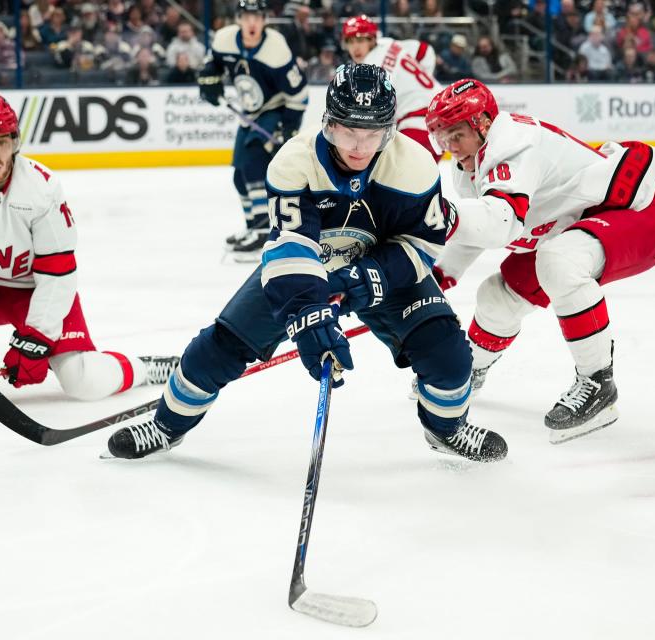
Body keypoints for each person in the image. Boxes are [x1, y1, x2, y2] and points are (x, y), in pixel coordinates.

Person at [105, 64, 508, 463]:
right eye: (348, 131)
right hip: (305, 269)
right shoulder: (294, 162)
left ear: (391, 129)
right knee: (217, 349)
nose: (359, 147)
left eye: (373, 134)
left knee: (449, 357)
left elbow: (422, 243)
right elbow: (291, 248)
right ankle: (166, 426)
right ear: (328, 123)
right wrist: (309, 312)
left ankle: (447, 430)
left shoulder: (414, 167)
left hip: (383, 271)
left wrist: (370, 276)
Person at [425, 79, 655, 444]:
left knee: (559, 261)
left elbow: (499, 224)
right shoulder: (471, 161)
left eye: (456, 135)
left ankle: (598, 383)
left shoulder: (513, 147)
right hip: (572, 223)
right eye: (442, 138)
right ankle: (465, 373)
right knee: (497, 297)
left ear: (482, 123)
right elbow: (477, 227)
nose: (450, 147)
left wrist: (437, 214)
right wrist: (440, 274)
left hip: (639, 210)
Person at [0, 95, 179, 405]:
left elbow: (57, 272)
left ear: (15, 141)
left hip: (36, 291)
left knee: (83, 383)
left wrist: (38, 336)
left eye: (2, 141)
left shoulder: (42, 187)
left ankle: (144, 368)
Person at [197, 0, 308, 258]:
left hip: (276, 108)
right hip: (250, 113)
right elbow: (212, 63)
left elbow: (299, 94)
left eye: (257, 17)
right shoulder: (224, 40)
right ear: (238, 19)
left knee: (254, 161)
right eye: (247, 17)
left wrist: (288, 127)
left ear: (265, 20)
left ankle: (262, 232)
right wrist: (209, 79)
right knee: (239, 175)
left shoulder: (275, 49)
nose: (252, 23)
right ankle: (251, 227)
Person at [342, 14, 442, 161]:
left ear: (372, 39)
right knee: (420, 177)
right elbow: (425, 52)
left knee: (400, 175)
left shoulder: (367, 70)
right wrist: (418, 84)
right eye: (350, 41)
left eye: (361, 40)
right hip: (441, 107)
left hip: (417, 121)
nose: (355, 47)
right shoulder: (389, 43)